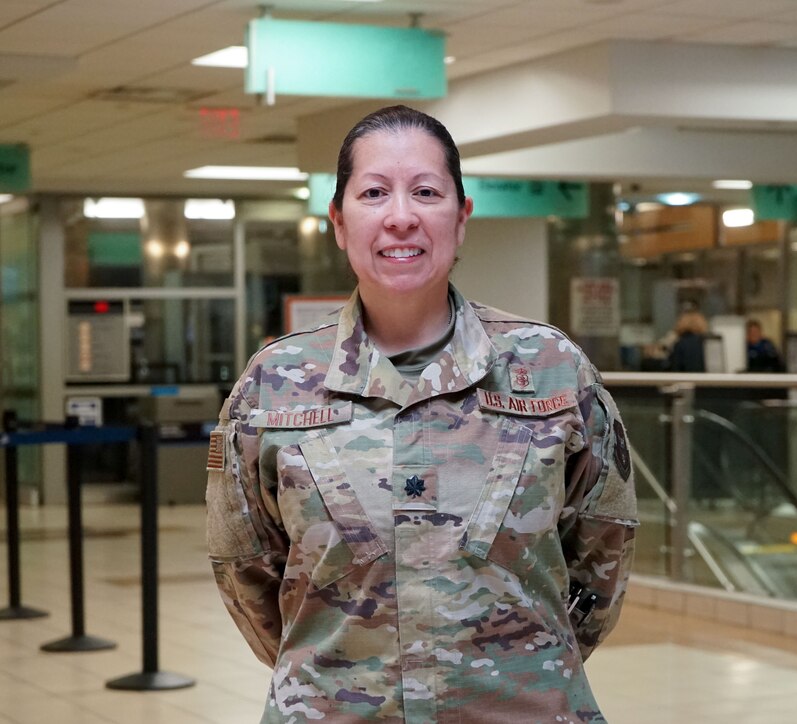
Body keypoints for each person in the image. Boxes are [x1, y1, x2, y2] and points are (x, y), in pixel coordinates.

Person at [205, 105, 638, 722]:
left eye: (427, 193)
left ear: (461, 218)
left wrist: (522, 664)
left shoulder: (551, 370)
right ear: (338, 220)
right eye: (374, 193)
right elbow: (246, 573)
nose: (401, 217)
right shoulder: (275, 385)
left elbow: (602, 560)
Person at [667, 306, 708, 372]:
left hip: (686, 380)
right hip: (704, 380)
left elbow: (675, 368)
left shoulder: (680, 344)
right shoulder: (705, 343)